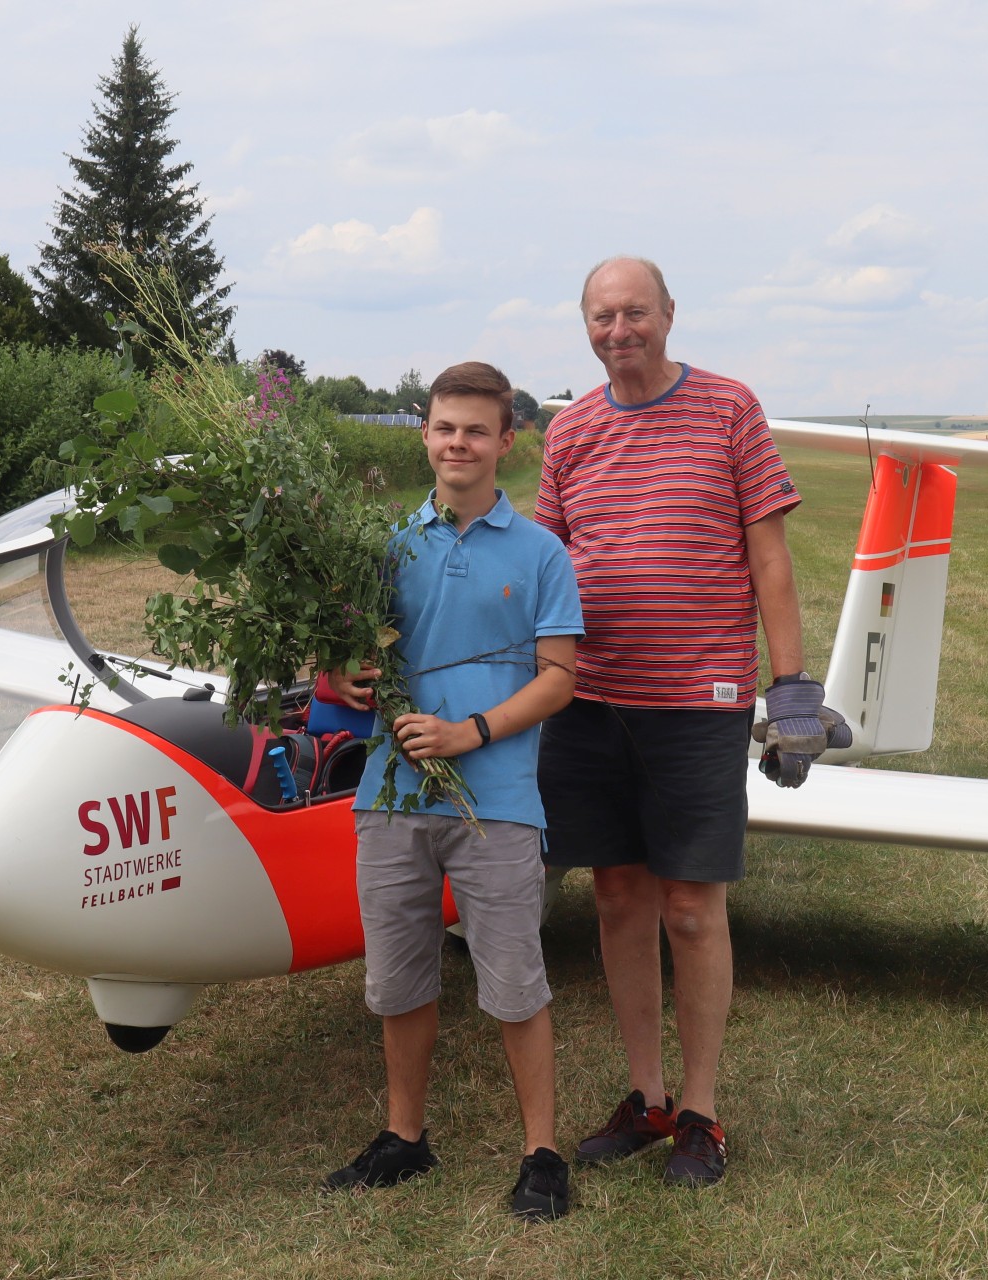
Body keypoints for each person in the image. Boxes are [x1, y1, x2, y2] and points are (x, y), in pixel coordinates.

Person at [535, 256, 836, 1187]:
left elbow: (769, 558)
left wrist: (789, 688)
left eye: (634, 312)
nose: (617, 329)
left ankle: (701, 1112)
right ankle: (647, 1096)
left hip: (697, 703)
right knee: (619, 899)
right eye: (600, 316)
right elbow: (545, 564)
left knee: (693, 912)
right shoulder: (570, 430)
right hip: (588, 703)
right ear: (584, 325)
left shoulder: (729, 409)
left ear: (668, 315)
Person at [323, 361, 583, 1221]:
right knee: (398, 980)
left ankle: (541, 1154)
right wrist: (346, 677)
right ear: (426, 436)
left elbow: (557, 682)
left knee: (514, 981)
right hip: (392, 799)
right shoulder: (388, 546)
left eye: (476, 429)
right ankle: (405, 1138)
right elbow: (339, 659)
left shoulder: (543, 552)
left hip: (496, 803)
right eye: (443, 427)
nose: (458, 443)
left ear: (508, 442)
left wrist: (468, 734)